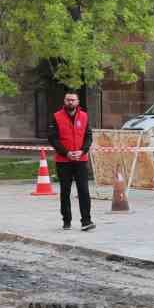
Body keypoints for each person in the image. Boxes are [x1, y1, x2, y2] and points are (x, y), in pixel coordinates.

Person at [46, 91, 95, 232]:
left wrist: (82, 151)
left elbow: (89, 137)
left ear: (78, 102)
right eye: (68, 100)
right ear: (64, 101)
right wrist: (66, 153)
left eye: (73, 100)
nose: (70, 102)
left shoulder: (84, 116)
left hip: (81, 159)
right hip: (63, 160)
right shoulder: (56, 117)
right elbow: (53, 138)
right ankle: (66, 220)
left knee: (84, 191)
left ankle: (86, 221)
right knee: (65, 191)